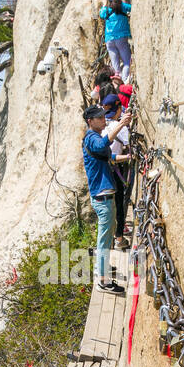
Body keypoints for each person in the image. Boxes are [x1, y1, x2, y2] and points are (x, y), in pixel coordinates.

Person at [82, 104, 128, 290]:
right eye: (99, 118)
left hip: (103, 196)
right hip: (103, 197)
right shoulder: (92, 138)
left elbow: (109, 156)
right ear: (90, 121)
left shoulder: (94, 137)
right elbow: (103, 146)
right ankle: (103, 281)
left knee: (106, 237)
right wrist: (122, 124)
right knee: (103, 241)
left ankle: (104, 268)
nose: (103, 120)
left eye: (103, 117)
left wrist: (128, 157)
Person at [102, 93, 132, 249]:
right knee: (119, 204)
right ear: (119, 108)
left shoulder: (102, 125)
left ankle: (115, 236)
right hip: (116, 168)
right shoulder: (118, 127)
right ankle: (119, 239)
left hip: (104, 170)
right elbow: (129, 141)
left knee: (110, 207)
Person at [99, 0, 132, 82]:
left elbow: (101, 14)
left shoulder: (106, 10)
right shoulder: (122, 7)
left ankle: (118, 82)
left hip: (109, 40)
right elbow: (131, 7)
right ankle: (125, 82)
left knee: (116, 67)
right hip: (121, 38)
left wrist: (104, 4)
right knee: (127, 62)